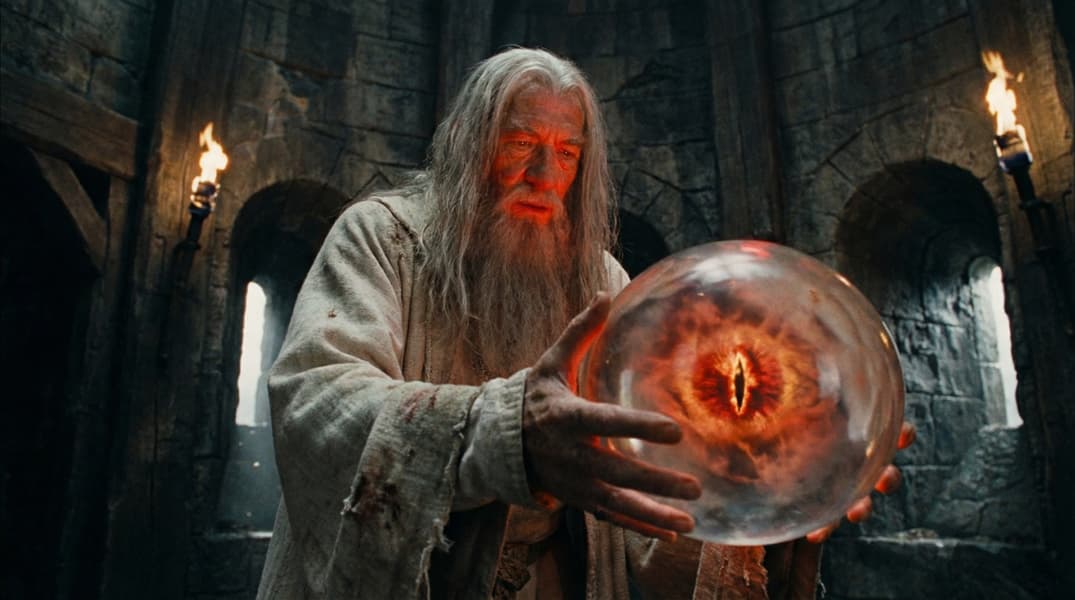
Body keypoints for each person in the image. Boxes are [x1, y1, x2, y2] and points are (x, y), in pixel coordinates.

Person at [256, 47, 913, 600]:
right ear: (466, 145)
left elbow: (647, 468)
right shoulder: (382, 239)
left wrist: (764, 483)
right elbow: (318, 400)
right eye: (521, 144)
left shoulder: (601, 280)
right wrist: (505, 433)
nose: (546, 175)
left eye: (567, 152)